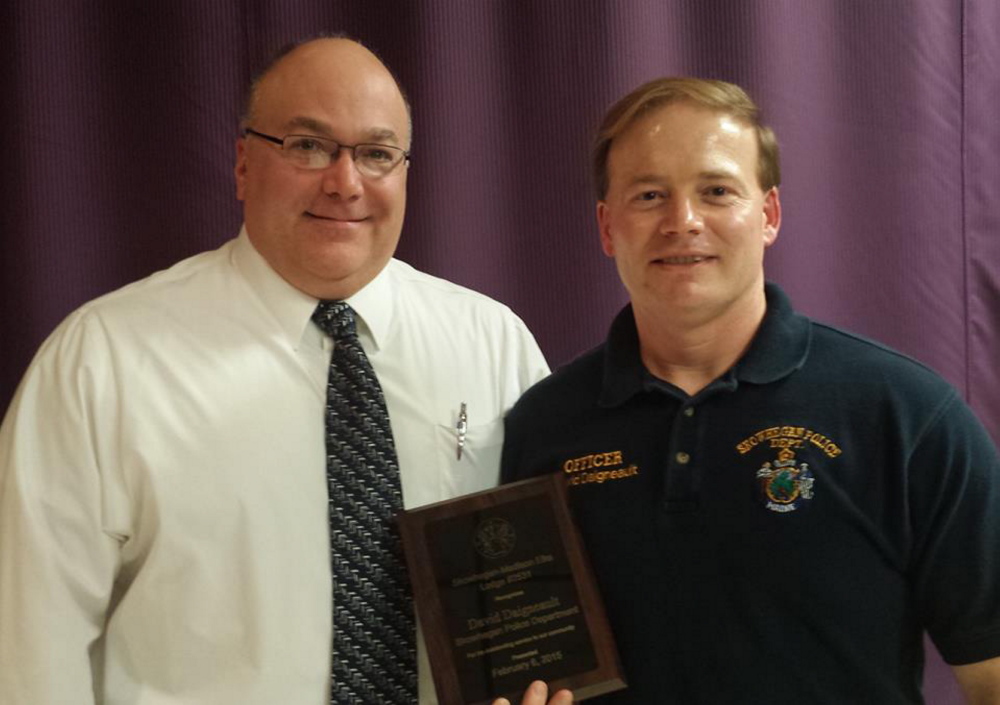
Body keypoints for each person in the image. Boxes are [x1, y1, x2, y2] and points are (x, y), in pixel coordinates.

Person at [0, 37, 548, 703]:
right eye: (307, 146)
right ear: (241, 164)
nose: (344, 182)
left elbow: (545, 593)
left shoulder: (492, 343)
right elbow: (31, 647)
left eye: (376, 154)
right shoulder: (103, 360)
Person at [498, 77, 1000, 704]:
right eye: (650, 195)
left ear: (768, 215)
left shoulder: (908, 418)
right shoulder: (544, 427)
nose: (683, 222)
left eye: (716, 191)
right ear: (607, 228)